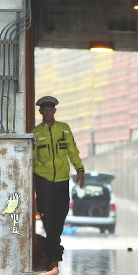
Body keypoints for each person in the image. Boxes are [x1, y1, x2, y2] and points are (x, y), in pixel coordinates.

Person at [31, 95, 86, 266]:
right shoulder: (35, 133)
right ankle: (55, 251)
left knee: (61, 214)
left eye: (50, 110)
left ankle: (52, 247)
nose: (48, 113)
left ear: (54, 111)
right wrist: (31, 179)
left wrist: (80, 170)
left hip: (62, 178)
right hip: (44, 178)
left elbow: (72, 151)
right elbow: (31, 158)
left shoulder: (64, 129)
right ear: (40, 112)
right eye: (44, 110)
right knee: (46, 215)